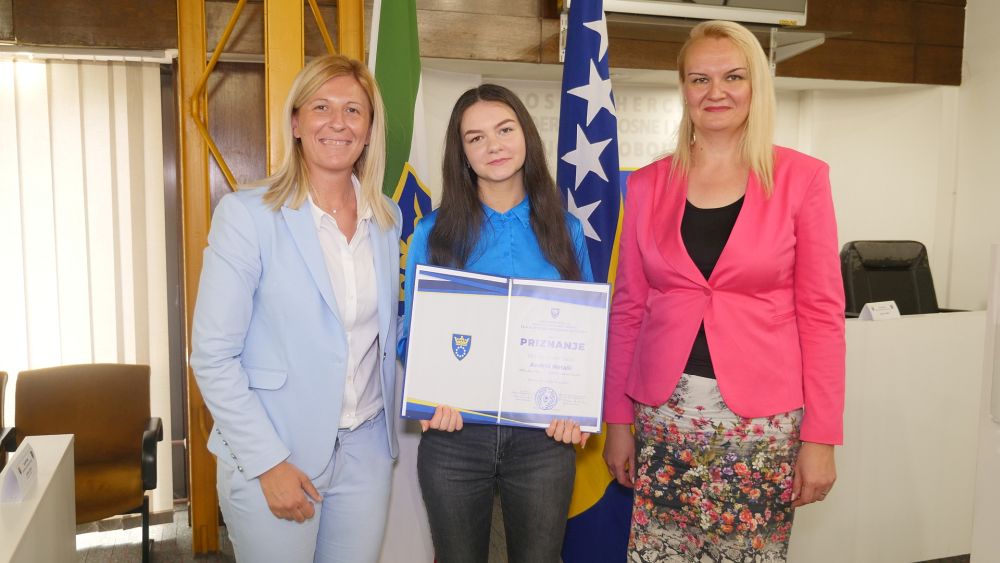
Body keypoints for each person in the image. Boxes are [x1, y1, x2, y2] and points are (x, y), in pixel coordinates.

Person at [602, 20, 846, 562]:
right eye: (700, 79)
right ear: (684, 88)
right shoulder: (644, 185)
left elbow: (822, 316)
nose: (716, 92)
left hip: (762, 425)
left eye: (733, 77)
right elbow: (629, 311)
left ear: (756, 84)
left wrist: (821, 437)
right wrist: (617, 421)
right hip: (664, 416)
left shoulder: (802, 179)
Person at [189, 54, 402, 563]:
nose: (338, 122)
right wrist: (268, 462)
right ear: (296, 123)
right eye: (321, 107)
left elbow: (380, 334)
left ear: (369, 130)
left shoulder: (386, 217)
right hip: (277, 452)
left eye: (353, 110)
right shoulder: (247, 216)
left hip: (366, 450)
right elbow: (213, 357)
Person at [397, 84, 593, 563]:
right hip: (455, 434)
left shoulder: (566, 230)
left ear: (526, 135)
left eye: (504, 130)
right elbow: (410, 334)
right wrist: (429, 391)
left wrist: (580, 406)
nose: (494, 146)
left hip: (544, 437)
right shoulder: (432, 233)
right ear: (462, 152)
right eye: (476, 138)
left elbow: (587, 334)